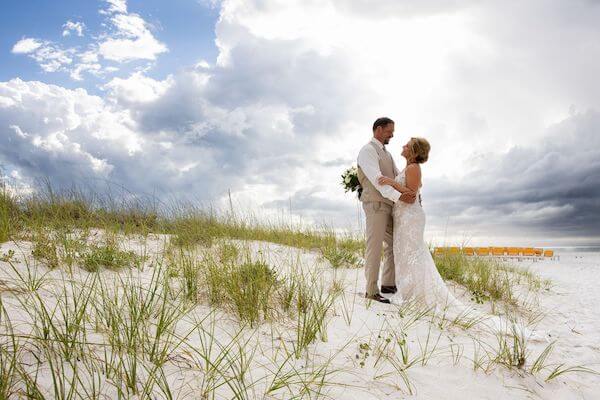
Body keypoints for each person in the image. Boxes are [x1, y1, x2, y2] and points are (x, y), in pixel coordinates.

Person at [357, 117, 416, 303]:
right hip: (375, 204)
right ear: (379, 129)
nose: (392, 134)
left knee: (394, 243)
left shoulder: (387, 154)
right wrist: (401, 196)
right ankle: (371, 291)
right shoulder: (367, 151)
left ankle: (388, 283)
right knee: (374, 247)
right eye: (390, 130)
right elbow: (377, 180)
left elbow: (397, 178)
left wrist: (413, 188)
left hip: (389, 206)